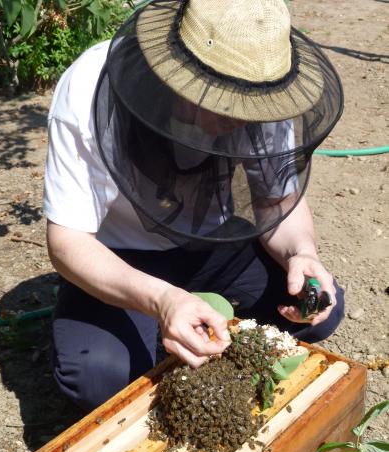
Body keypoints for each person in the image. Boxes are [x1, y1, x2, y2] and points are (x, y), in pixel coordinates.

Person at [44, 0, 345, 412]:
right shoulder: (90, 85)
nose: (241, 119)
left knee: (319, 310)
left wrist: (302, 253)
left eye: (252, 103)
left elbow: (279, 202)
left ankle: (183, 321)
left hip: (215, 244)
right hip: (122, 259)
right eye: (225, 101)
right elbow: (68, 242)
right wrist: (163, 300)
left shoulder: (262, 85)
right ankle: (156, 322)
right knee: (99, 377)